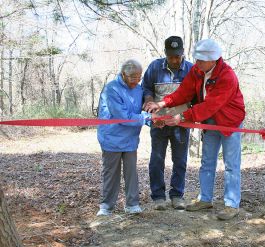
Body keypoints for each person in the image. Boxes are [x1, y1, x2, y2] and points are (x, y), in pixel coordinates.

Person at [147, 39, 246, 220]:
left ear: (213, 60)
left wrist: (183, 117)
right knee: (207, 161)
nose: (197, 63)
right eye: (197, 59)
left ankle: (232, 204)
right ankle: (205, 199)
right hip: (209, 121)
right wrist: (162, 103)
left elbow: (210, 105)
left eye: (201, 60)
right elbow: (183, 93)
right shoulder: (197, 71)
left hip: (230, 122)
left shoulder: (227, 76)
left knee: (231, 164)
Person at [142, 36, 193, 210]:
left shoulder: (191, 70)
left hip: (181, 123)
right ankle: (158, 197)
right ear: (165, 54)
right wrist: (150, 105)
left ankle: (177, 195)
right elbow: (146, 88)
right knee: (157, 160)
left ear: (183, 53)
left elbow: (196, 96)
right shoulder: (155, 67)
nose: (174, 60)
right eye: (171, 57)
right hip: (158, 123)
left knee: (180, 161)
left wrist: (185, 116)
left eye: (177, 57)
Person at [96, 59, 153, 216]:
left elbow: (144, 112)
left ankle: (132, 204)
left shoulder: (139, 89)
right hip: (111, 138)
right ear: (123, 74)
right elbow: (123, 116)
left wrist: (154, 121)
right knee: (111, 173)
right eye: (133, 77)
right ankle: (107, 206)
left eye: (139, 77)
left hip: (130, 139)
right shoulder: (111, 90)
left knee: (131, 172)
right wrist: (146, 118)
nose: (136, 80)